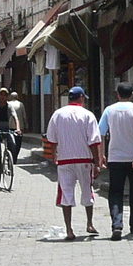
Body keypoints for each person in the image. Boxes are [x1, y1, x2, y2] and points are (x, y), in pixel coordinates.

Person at [46, 86, 103, 240]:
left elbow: (51, 138)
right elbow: (94, 141)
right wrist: (97, 162)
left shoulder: (57, 114)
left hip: (65, 160)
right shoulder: (88, 115)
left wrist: (54, 156)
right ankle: (89, 223)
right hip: (84, 160)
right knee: (87, 191)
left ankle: (69, 229)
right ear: (81, 98)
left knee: (66, 193)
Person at [99, 82, 133, 240]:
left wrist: (101, 155)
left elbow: (100, 134)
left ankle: (117, 225)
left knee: (115, 192)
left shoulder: (109, 110)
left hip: (115, 158)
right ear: (132, 94)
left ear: (117, 94)